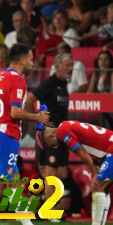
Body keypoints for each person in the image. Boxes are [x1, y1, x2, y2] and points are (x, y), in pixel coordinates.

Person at [0, 43, 50, 225]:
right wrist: (37, 117)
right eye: (31, 58)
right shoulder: (18, 80)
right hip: (6, 133)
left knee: (14, 182)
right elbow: (15, 112)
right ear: (23, 60)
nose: (33, 62)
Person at [37, 121, 113, 225]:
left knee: (98, 187)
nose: (55, 147)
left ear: (52, 136)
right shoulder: (65, 126)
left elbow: (81, 152)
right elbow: (92, 143)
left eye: (52, 144)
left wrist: (94, 171)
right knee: (103, 188)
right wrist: (95, 167)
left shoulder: (62, 132)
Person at [26, 51, 72, 204]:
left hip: (62, 134)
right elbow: (30, 98)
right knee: (50, 174)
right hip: (50, 135)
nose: (70, 68)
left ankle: (42, 205)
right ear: (57, 67)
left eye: (71, 65)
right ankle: (49, 210)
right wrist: (35, 121)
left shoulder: (63, 83)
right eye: (67, 65)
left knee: (61, 173)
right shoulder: (49, 83)